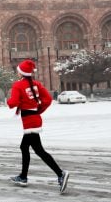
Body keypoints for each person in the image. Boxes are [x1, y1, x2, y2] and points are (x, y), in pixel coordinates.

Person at [6, 59, 69, 193]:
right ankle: (23, 176)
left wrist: (9, 100)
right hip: (34, 118)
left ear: (21, 72)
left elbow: (13, 102)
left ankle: (60, 173)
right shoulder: (36, 84)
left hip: (29, 121)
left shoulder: (18, 85)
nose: (17, 72)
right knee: (25, 147)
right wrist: (38, 110)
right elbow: (47, 100)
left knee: (39, 150)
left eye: (18, 70)